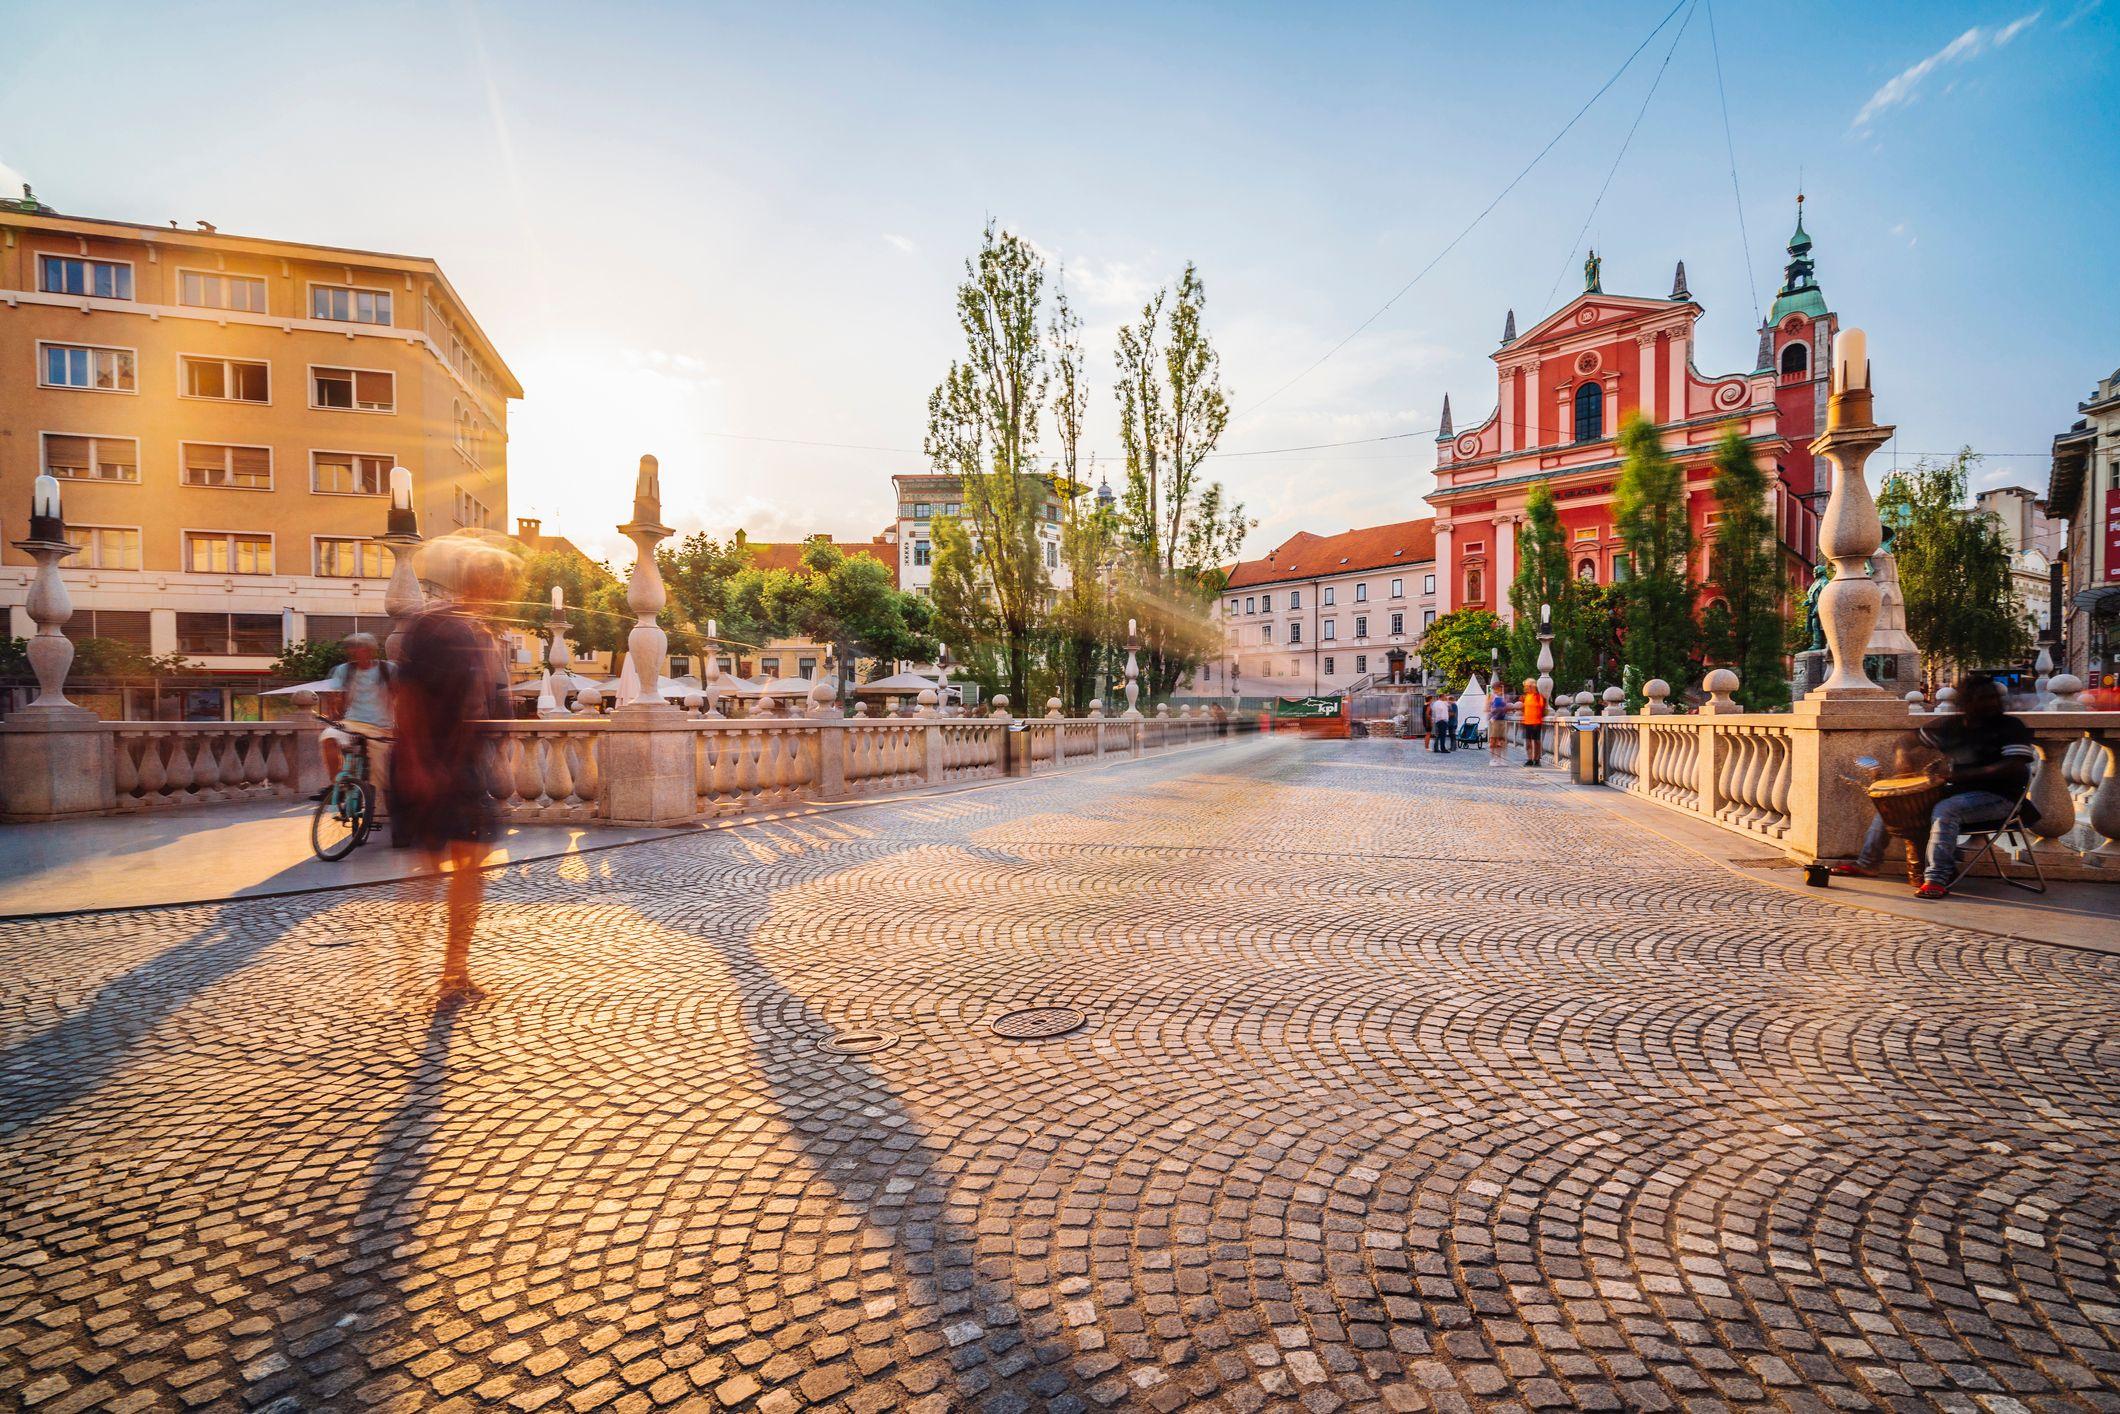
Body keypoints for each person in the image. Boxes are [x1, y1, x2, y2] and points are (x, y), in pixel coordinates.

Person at [391, 533, 520, 1001]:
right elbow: (406, 698)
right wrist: (419, 764)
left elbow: (484, 702)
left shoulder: (480, 633)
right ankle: (409, 960)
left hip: (465, 766)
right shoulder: (433, 626)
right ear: (480, 584)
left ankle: (453, 971)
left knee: (468, 866)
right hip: (428, 762)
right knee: (433, 869)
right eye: (499, 582)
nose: (504, 592)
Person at [1832, 674, 2035, 898]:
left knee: (1945, 810)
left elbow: (2013, 767)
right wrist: (1903, 756)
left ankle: (1936, 879)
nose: (1990, 703)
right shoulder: (1953, 727)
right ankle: (1868, 863)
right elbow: (1905, 741)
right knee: (1891, 802)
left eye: (1991, 698)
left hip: (2001, 797)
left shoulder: (2010, 727)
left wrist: (1959, 775)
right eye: (1982, 698)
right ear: (1966, 702)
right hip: (1960, 793)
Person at [317, 633, 392, 799]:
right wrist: (333, 717)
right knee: (328, 737)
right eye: (352, 649)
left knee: (382, 778)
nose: (355, 652)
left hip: (381, 727)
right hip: (351, 722)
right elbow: (337, 696)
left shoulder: (388, 669)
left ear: (371, 651)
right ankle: (337, 784)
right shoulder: (344, 670)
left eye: (360, 648)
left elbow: (401, 696)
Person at [1520, 678, 1547, 766]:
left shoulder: (1539, 697)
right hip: (1527, 722)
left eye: (1527, 686)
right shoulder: (1525, 697)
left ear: (1532, 686)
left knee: (1536, 742)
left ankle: (1537, 759)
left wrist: (1539, 719)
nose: (1525, 688)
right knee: (1528, 742)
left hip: (1536, 722)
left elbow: (1543, 710)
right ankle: (1530, 759)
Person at [1488, 683, 1510, 766]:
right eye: (1498, 688)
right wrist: (1496, 710)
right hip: (1495, 720)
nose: (1500, 689)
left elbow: (1507, 708)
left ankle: (1501, 759)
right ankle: (1493, 759)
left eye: (1501, 687)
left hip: (1502, 720)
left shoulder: (1504, 697)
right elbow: (1488, 708)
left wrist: (1505, 708)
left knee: (1502, 741)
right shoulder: (1492, 696)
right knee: (1494, 740)